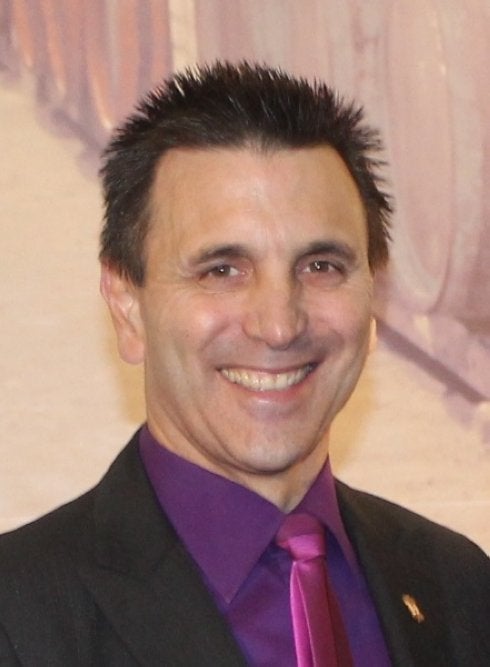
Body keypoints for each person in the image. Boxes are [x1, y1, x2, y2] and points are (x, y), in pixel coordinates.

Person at [0, 61, 488, 667]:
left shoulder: (461, 587)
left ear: (373, 294)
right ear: (128, 307)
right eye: (222, 270)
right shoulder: (17, 617)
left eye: (321, 266)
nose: (279, 325)